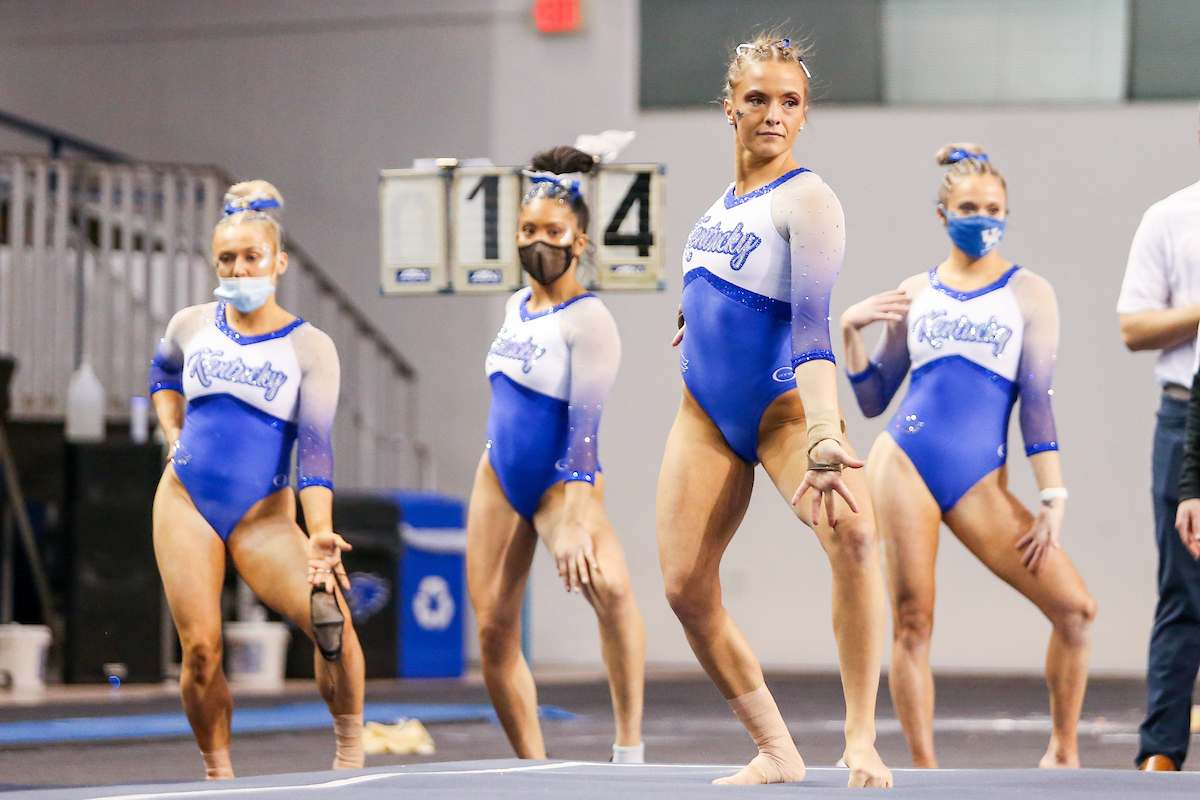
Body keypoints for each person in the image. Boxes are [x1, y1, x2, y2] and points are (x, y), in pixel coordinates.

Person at [657, 34, 892, 788]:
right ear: (729, 107)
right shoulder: (715, 209)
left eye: (790, 102)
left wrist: (824, 433)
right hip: (703, 417)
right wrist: (696, 314)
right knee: (685, 589)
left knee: (855, 536)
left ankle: (860, 739)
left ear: (804, 114)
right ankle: (776, 749)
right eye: (757, 99)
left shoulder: (809, 200)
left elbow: (811, 327)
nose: (773, 114)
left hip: (786, 414)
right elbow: (726, 286)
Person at [843, 144, 1096, 769]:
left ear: (1007, 213)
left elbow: (1037, 402)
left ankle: (1063, 752)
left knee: (1075, 610)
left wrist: (1053, 497)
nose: (981, 218)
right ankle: (925, 771)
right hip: (904, 461)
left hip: (980, 478)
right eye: (968, 208)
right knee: (912, 623)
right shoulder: (915, 291)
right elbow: (873, 398)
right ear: (942, 213)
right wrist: (849, 330)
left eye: (993, 209)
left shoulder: (1030, 293)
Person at [148, 181, 364, 779]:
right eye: (227, 258)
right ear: (214, 263)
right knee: (200, 651)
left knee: (330, 621)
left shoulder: (309, 347)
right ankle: (218, 774)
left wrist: (319, 532)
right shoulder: (191, 324)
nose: (239, 269)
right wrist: (172, 429)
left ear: (279, 262)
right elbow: (162, 373)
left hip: (263, 515)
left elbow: (314, 450)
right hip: (186, 501)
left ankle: (350, 756)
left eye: (251, 257)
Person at [466, 146, 647, 764]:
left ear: (580, 241)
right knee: (493, 631)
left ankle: (629, 749)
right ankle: (534, 768)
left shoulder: (590, 320)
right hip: (498, 475)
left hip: (562, 480)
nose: (537, 242)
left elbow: (584, 431)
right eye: (527, 230)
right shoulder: (515, 307)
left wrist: (573, 519)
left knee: (612, 592)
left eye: (552, 231)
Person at [1119, 110, 1200, 770]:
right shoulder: (1170, 217)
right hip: (1184, 416)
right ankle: (1162, 754)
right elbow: (1134, 328)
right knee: (1184, 586)